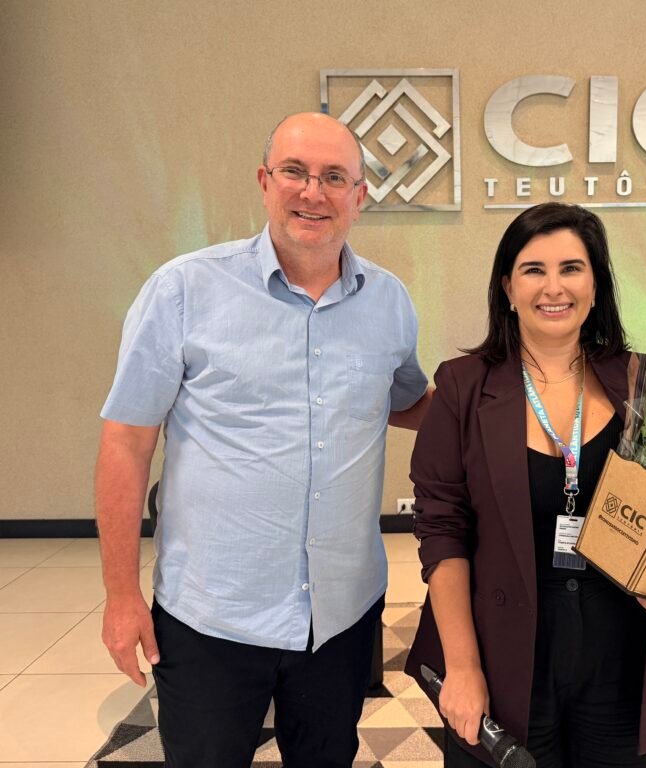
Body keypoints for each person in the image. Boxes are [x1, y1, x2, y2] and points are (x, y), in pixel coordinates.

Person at [95, 112, 431, 768]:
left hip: (340, 617)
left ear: (360, 196)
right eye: (295, 172)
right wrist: (121, 594)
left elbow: (409, 402)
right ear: (264, 181)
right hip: (213, 616)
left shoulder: (389, 301)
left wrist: (506, 405)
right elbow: (126, 444)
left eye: (334, 177)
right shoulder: (184, 290)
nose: (313, 192)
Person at [404, 202, 646, 768]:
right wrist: (463, 666)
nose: (554, 287)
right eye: (534, 270)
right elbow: (443, 531)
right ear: (508, 288)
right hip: (504, 650)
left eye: (571, 268)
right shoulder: (462, 387)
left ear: (595, 286)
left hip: (622, 650)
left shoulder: (642, 379)